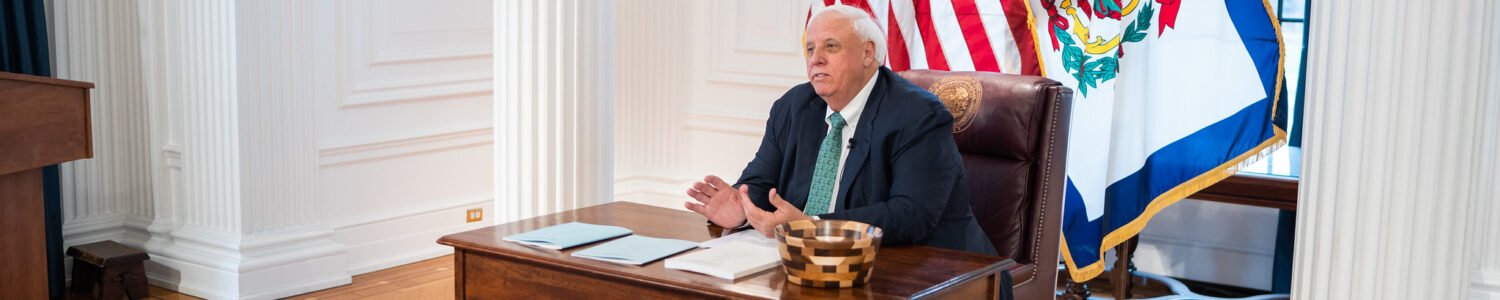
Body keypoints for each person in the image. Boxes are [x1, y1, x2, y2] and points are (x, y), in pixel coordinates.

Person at [684, 4, 995, 254]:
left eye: (830, 47)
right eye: (810, 49)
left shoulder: (918, 115)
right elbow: (762, 181)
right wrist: (743, 207)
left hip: (933, 265)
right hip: (815, 259)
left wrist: (815, 226)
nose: (816, 59)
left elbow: (911, 215)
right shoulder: (794, 107)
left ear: (867, 52)